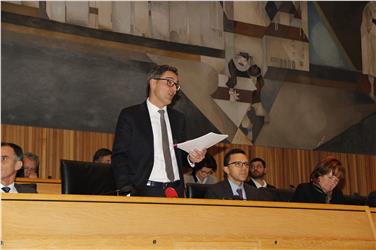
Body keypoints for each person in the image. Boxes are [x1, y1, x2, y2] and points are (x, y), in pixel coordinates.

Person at [111, 65, 206, 198]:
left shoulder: (178, 119)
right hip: (144, 191)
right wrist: (126, 190)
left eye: (176, 85)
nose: (173, 89)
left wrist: (191, 158)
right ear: (153, 82)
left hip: (175, 190)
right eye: (169, 82)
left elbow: (179, 156)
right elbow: (120, 156)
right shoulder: (131, 115)